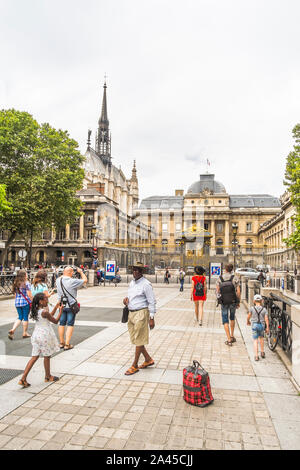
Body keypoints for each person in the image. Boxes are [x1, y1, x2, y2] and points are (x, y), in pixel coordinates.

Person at [18, 293, 64, 388]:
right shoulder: (44, 312)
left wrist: (55, 307)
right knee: (47, 356)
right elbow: (55, 321)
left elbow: (49, 316)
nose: (47, 301)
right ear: (40, 301)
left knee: (34, 357)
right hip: (44, 336)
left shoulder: (36, 310)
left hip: (36, 335)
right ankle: (48, 376)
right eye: (46, 299)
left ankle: (23, 378)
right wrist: (61, 311)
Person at [123, 262, 156, 375]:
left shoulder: (146, 284)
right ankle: (148, 359)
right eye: (134, 270)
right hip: (131, 313)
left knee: (139, 339)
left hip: (141, 313)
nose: (135, 272)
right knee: (136, 339)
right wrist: (126, 300)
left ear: (142, 272)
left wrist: (151, 318)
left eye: (138, 270)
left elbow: (152, 301)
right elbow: (132, 296)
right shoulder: (132, 283)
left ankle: (134, 365)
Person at [56, 266, 87, 350]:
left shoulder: (58, 280)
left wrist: (63, 273)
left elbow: (61, 276)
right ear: (70, 273)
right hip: (71, 305)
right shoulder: (73, 281)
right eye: (72, 272)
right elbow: (85, 280)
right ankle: (67, 344)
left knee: (61, 323)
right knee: (70, 324)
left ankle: (61, 343)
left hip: (61, 305)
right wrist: (81, 272)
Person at [216, 264, 241, 346]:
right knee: (232, 318)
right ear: (232, 270)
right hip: (233, 301)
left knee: (225, 319)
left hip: (224, 301)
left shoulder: (220, 278)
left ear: (225, 269)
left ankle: (228, 339)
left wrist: (219, 300)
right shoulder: (235, 278)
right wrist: (238, 302)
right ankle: (232, 335)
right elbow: (238, 291)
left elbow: (217, 291)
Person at [8, 270, 32, 340]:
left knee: (20, 317)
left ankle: (13, 329)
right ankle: (24, 333)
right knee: (25, 317)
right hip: (25, 302)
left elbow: (15, 294)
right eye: (26, 274)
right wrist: (32, 300)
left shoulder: (15, 283)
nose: (27, 275)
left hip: (17, 302)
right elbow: (29, 294)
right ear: (24, 275)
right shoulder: (26, 283)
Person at [247, 294, 269, 361]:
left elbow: (248, 316)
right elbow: (266, 319)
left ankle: (256, 356)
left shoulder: (252, 308)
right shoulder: (264, 309)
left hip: (254, 325)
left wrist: (247, 321)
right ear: (261, 301)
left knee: (255, 340)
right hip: (261, 326)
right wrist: (267, 327)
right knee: (261, 338)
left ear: (254, 301)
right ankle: (262, 352)